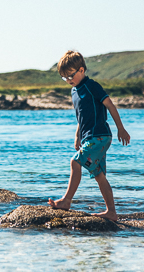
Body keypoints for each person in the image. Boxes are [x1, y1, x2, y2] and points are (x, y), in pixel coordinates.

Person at [48, 50, 131, 221]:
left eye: (71, 75)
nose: (69, 80)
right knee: (99, 175)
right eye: (65, 78)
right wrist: (77, 135)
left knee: (75, 161)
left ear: (81, 70)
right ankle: (111, 212)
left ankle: (66, 201)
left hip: (99, 136)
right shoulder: (74, 91)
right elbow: (82, 116)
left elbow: (110, 106)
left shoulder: (92, 86)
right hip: (89, 137)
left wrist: (120, 129)